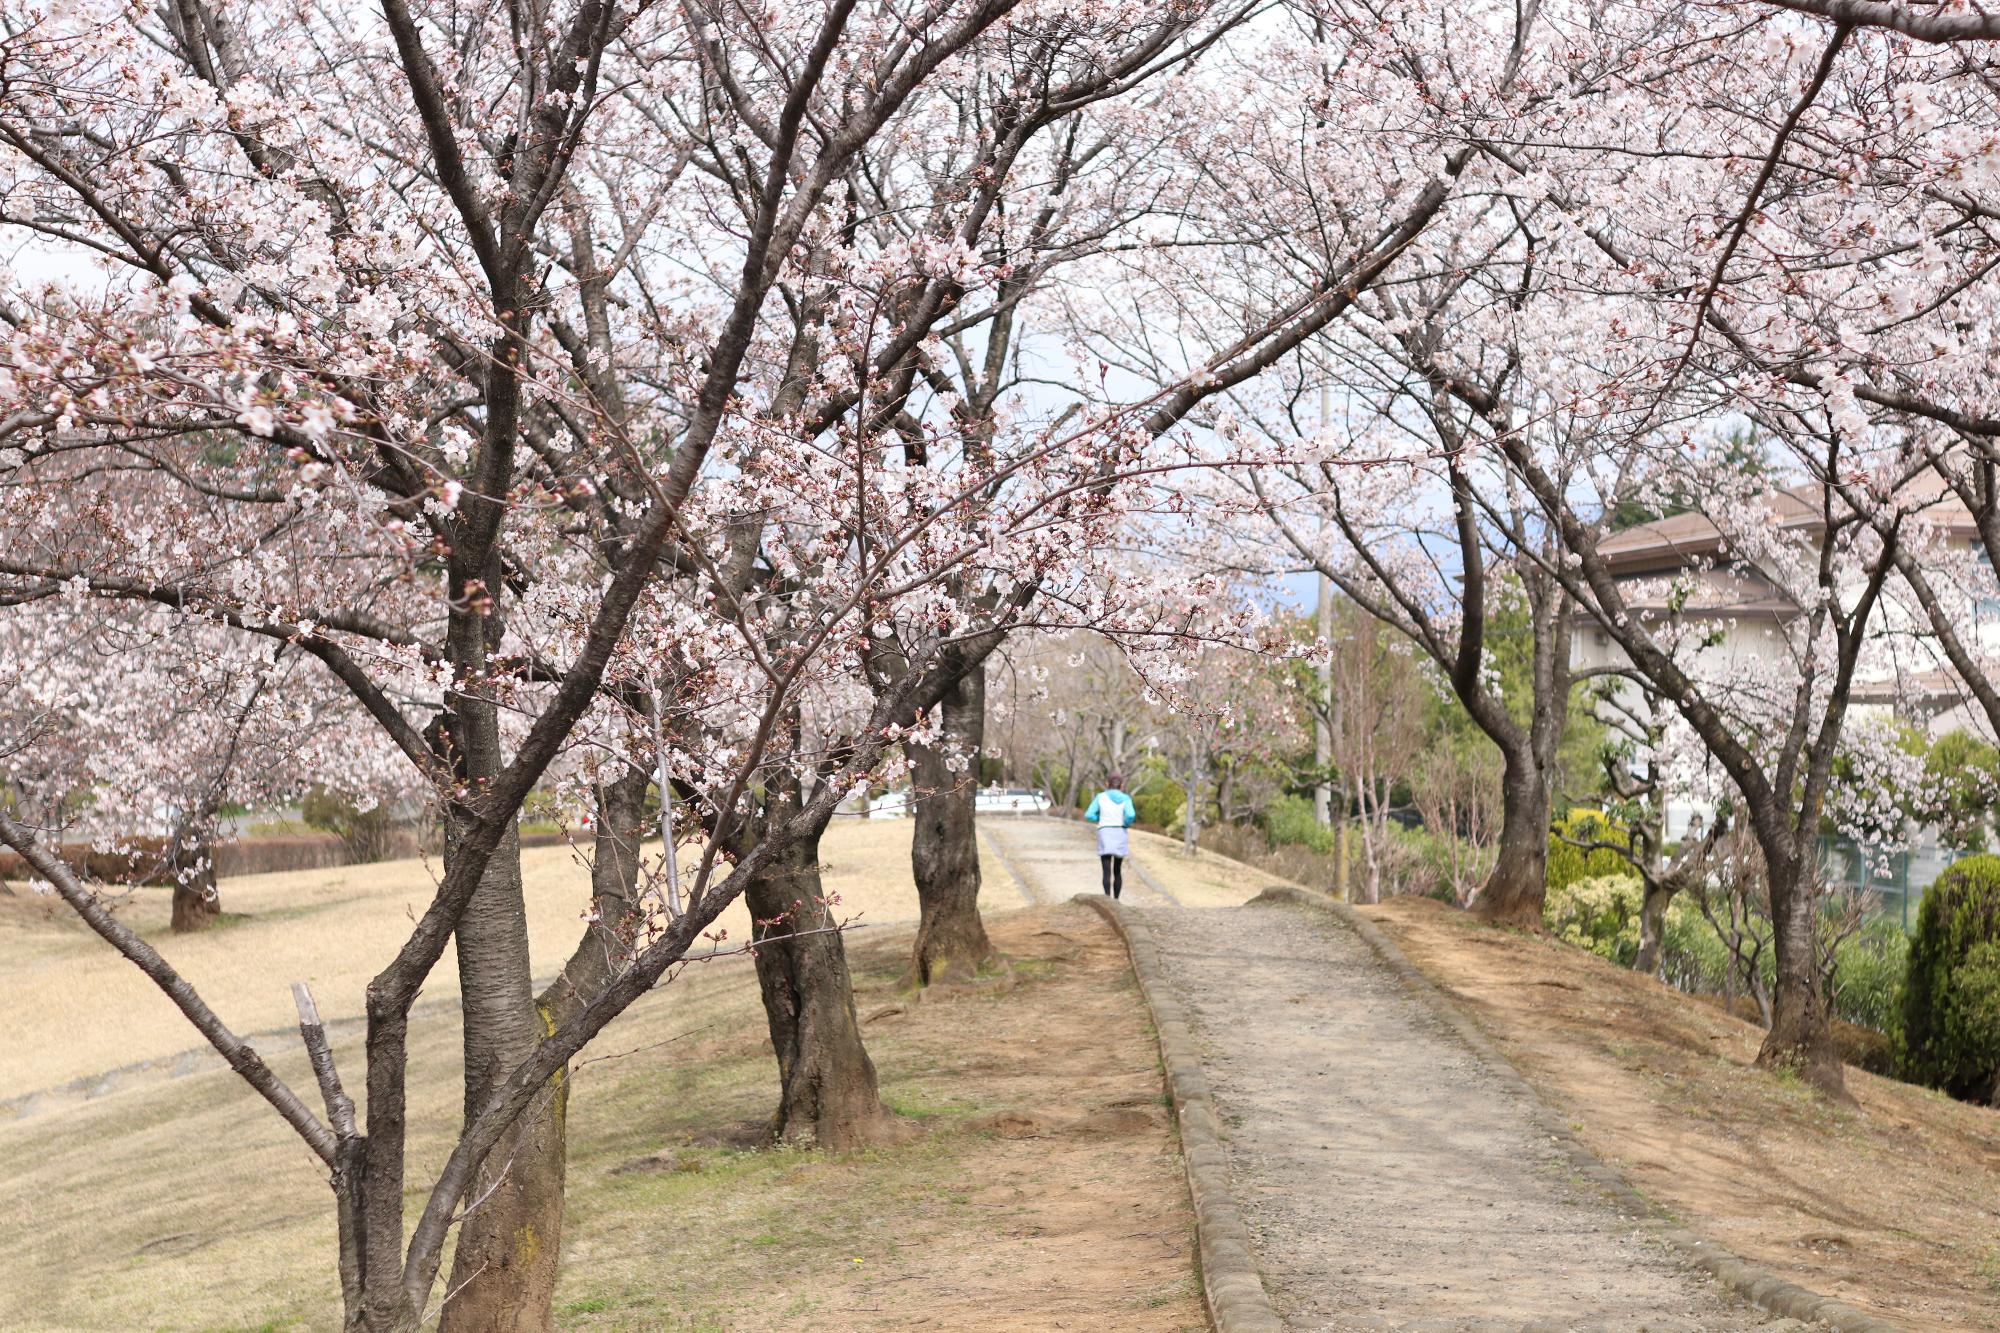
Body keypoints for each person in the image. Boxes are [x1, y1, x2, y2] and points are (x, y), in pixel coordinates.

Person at [1084, 775, 1137, 899]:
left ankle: (1107, 897)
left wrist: (1099, 818)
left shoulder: (1100, 797)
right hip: (1120, 832)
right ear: (1122, 785)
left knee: (1106, 870)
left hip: (1105, 832)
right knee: (1117, 870)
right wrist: (1125, 823)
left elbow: (1089, 814)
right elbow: (1131, 814)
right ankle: (1117, 899)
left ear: (1107, 784)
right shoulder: (1126, 799)